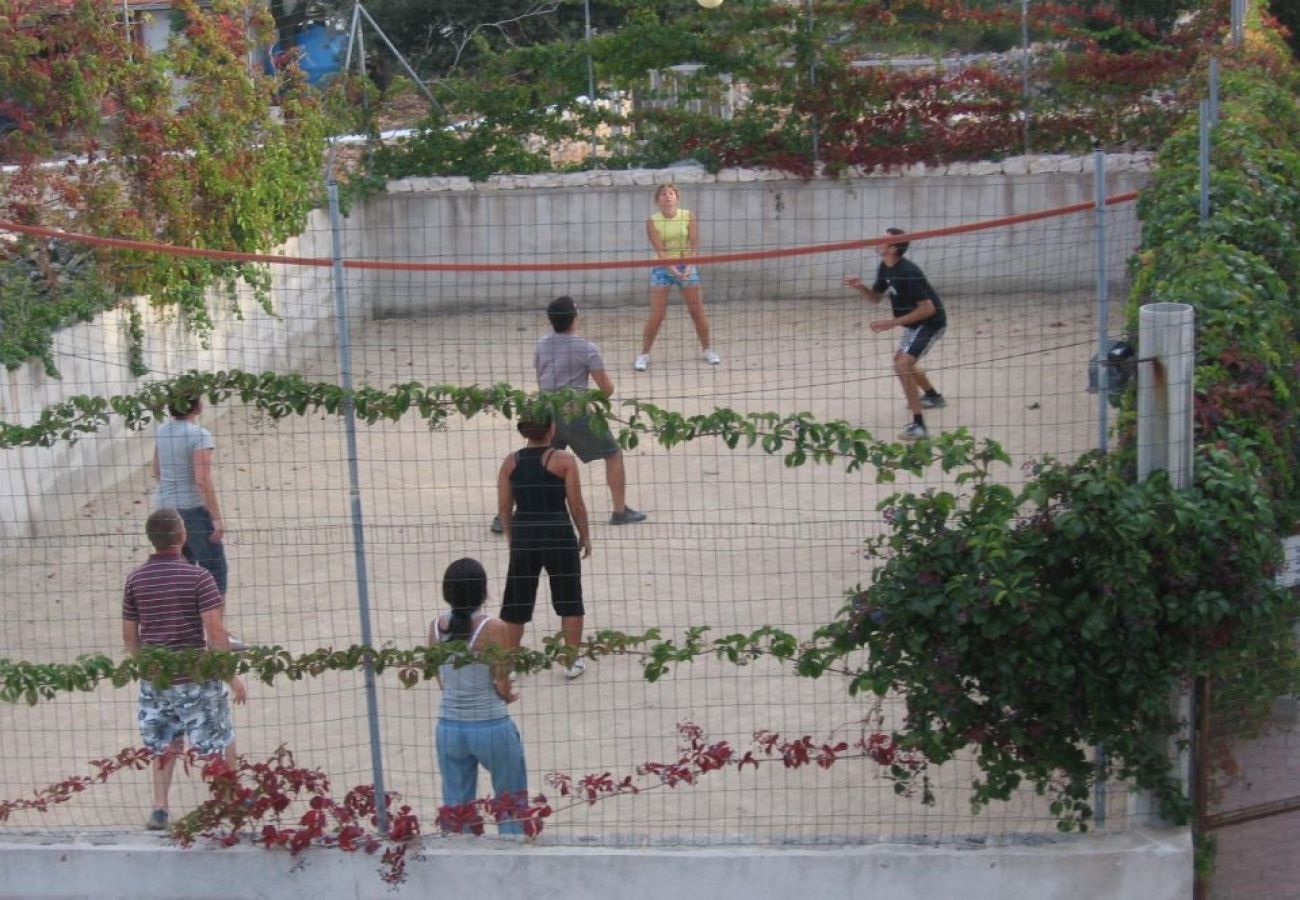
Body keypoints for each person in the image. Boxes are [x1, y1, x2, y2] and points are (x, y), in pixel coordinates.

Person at [122, 508, 247, 831]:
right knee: (218, 735)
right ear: (182, 536)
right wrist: (229, 675)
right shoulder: (199, 577)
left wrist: (146, 667)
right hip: (195, 675)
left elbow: (129, 634)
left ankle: (160, 808)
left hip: (158, 676)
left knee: (164, 741)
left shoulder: (136, 579)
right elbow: (214, 631)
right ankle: (228, 796)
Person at [432, 558, 529, 835]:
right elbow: (501, 679)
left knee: (456, 805)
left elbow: (441, 678)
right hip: (490, 723)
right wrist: (508, 695)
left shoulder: (434, 627)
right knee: (511, 802)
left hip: (449, 725)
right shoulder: (493, 627)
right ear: (482, 591)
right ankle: (513, 855)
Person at [533, 295, 646, 526]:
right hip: (575, 412)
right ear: (574, 318)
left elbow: (540, 379)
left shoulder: (542, 344)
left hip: (546, 411)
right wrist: (591, 402)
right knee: (613, 453)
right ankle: (619, 511)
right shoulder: (587, 348)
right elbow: (606, 388)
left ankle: (513, 513)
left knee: (535, 459)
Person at [497, 415, 592, 680]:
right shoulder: (563, 460)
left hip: (525, 534)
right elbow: (576, 504)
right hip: (558, 533)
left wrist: (510, 536)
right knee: (569, 598)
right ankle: (571, 661)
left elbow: (504, 507)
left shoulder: (510, 462)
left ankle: (510, 663)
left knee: (517, 601)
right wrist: (584, 535)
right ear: (552, 429)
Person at [843, 227, 947, 441]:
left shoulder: (908, 272)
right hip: (915, 323)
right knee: (902, 361)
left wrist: (891, 323)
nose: (877, 240)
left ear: (893, 248)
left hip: (930, 323)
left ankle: (919, 427)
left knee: (901, 364)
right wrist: (860, 287)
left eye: (883, 239)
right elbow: (875, 297)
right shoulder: (886, 266)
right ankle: (934, 397)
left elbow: (928, 309)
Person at [635, 183, 719, 371]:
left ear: (677, 198)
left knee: (697, 312)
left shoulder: (687, 216)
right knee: (657, 315)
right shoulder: (652, 221)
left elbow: (694, 243)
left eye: (671, 193)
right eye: (663, 194)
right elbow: (660, 250)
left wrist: (689, 265)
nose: (667, 196)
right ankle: (644, 354)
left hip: (686, 264)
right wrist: (673, 269)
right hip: (662, 267)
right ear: (657, 200)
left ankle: (708, 350)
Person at [153, 394, 227, 595]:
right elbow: (202, 479)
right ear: (197, 407)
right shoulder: (199, 435)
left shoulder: (161, 431)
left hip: (164, 506)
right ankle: (214, 625)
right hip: (191, 508)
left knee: (179, 570)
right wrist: (217, 519)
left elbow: (157, 471)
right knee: (214, 569)